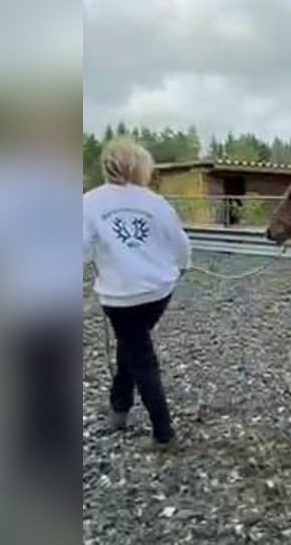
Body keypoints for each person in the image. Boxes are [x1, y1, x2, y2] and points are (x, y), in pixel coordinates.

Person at [83, 136, 191, 450]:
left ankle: (163, 433)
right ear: (141, 167)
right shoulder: (156, 203)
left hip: (120, 297)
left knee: (140, 355)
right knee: (131, 345)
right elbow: (181, 245)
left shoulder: (88, 202)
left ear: (108, 165)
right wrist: (183, 266)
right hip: (159, 292)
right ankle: (118, 409)